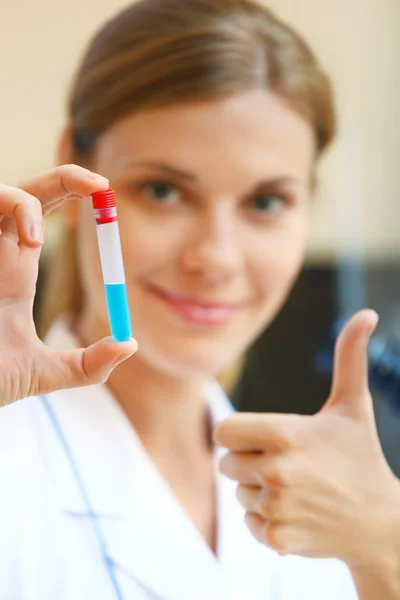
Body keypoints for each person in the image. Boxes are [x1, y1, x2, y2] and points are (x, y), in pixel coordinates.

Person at [0, 0, 399, 598]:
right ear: (77, 171)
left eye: (265, 203)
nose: (215, 256)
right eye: (163, 191)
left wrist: (385, 549)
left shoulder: (333, 514)